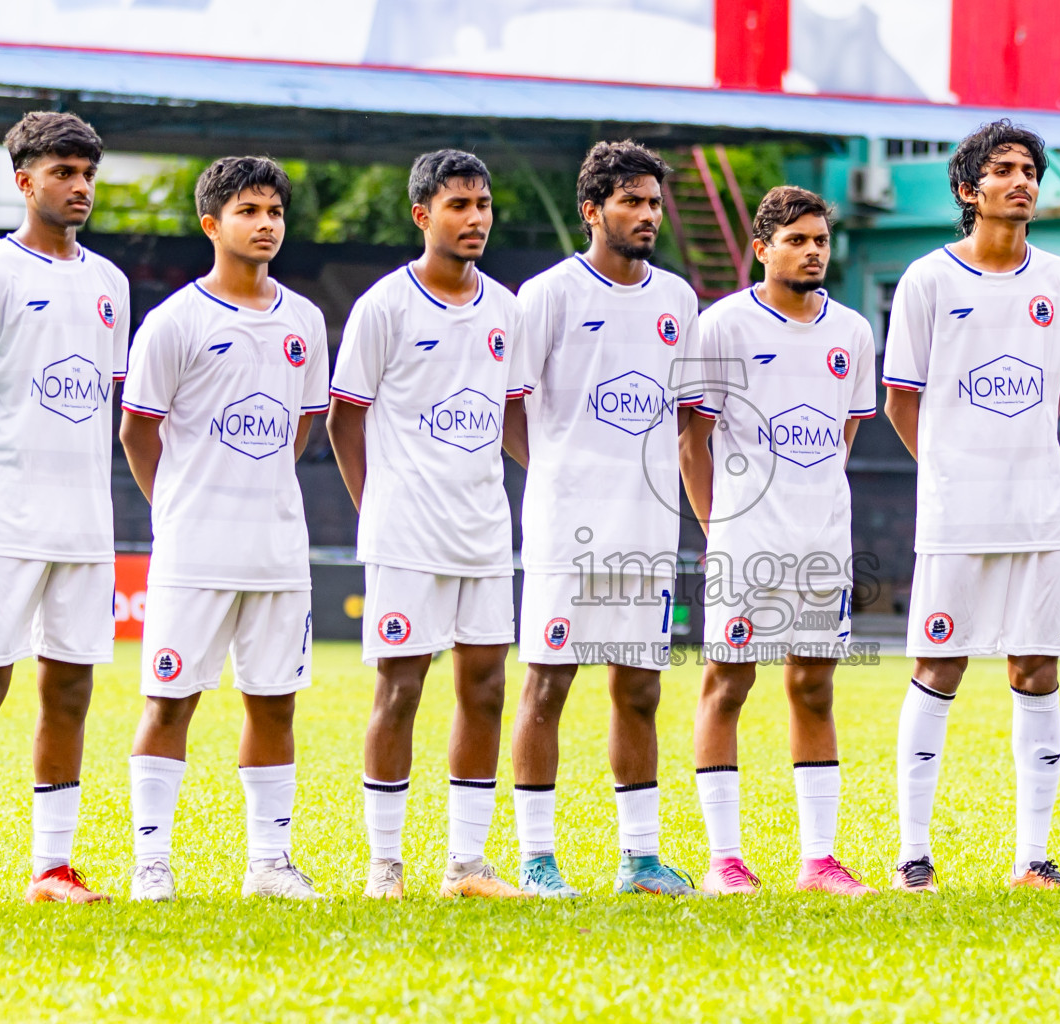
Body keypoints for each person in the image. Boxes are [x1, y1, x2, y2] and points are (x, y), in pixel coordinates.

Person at [883, 121, 1060, 893]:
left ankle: (1034, 859)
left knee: (1037, 668)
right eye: (1003, 169)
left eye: (1031, 169)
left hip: (1039, 514)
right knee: (939, 664)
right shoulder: (926, 280)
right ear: (969, 191)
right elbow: (902, 400)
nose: (1022, 181)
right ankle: (913, 855)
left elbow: (1056, 392)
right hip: (955, 515)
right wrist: (949, 469)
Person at [120, 157, 329, 902]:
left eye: (273, 210)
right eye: (248, 211)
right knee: (170, 701)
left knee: (274, 701)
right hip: (193, 551)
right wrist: (178, 501)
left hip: (277, 551)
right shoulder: (175, 321)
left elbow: (302, 428)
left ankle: (268, 863)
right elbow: (138, 433)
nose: (265, 223)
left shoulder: (305, 321)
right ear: (213, 225)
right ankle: (151, 863)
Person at [506, 140, 704, 897]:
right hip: (568, 529)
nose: (647, 214)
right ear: (593, 211)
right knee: (548, 685)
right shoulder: (549, 293)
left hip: (648, 530)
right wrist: (558, 468)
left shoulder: (678, 299)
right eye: (631, 200)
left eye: (654, 202)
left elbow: (687, 417)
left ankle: (641, 859)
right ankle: (536, 858)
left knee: (640, 689)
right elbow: (507, 406)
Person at [328, 149, 527, 900]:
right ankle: (385, 861)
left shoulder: (506, 308)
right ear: (423, 216)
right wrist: (374, 505)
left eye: (482, 204)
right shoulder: (385, 306)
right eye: (458, 205)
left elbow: (510, 415)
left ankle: (467, 864)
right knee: (400, 689)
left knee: (484, 687)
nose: (475, 218)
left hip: (483, 531)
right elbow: (346, 419)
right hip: (406, 533)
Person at [679, 186, 877, 896]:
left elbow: (844, 432)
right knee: (727, 683)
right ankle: (725, 860)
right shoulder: (722, 325)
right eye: (796, 240)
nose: (812, 251)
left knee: (814, 688)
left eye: (820, 239)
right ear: (761, 249)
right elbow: (691, 438)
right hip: (744, 539)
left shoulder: (852, 330)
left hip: (822, 541)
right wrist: (717, 526)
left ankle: (819, 860)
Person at [0, 112, 127, 908]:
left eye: (88, 173)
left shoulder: (110, 285)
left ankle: (51, 870)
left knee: (69, 690)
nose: (80, 186)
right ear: (23, 181)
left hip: (85, 528)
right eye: (63, 172)